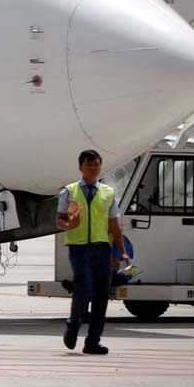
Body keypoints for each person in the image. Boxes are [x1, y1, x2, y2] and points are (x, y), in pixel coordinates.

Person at [56, 149, 130, 355]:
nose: (93, 168)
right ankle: (73, 323)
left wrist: (121, 251)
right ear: (81, 167)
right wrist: (68, 225)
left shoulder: (108, 193)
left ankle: (92, 342)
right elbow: (59, 220)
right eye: (89, 164)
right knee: (84, 289)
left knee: (101, 297)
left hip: (102, 249)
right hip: (79, 248)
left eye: (96, 164)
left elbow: (114, 224)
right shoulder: (69, 192)